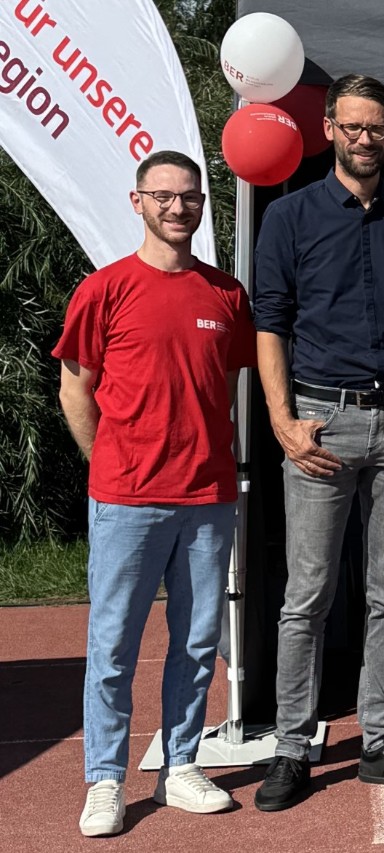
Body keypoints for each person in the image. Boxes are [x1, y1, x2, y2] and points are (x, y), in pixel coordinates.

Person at [252, 74, 384, 810]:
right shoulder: (291, 217)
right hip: (320, 422)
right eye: (352, 127)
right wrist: (281, 418)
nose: (365, 139)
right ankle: (290, 746)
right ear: (330, 128)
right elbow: (269, 322)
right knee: (306, 594)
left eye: (377, 128)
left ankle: (381, 740)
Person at [55, 150, 255, 836]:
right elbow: (74, 388)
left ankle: (180, 766)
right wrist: (107, 462)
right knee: (112, 645)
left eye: (189, 197)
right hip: (127, 500)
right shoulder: (103, 289)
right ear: (137, 202)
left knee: (198, 643)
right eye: (164, 196)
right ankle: (105, 779)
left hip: (208, 496)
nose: (178, 208)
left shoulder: (227, 295)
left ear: (203, 204)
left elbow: (221, 387)